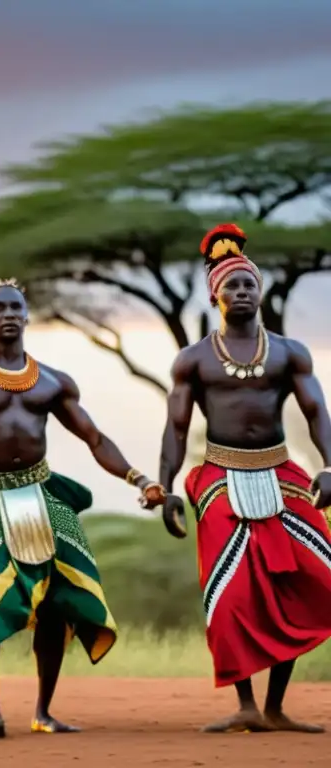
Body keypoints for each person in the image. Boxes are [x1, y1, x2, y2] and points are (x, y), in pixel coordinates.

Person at [0, 278, 165, 740]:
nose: (9, 314)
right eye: (0, 307)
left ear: (27, 318)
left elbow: (94, 438)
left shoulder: (52, 382)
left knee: (56, 604)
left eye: (16, 307)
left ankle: (43, 712)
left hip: (44, 495)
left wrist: (140, 478)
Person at [152, 223, 331, 734]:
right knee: (231, 594)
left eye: (249, 283)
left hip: (280, 471)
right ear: (215, 295)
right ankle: (246, 704)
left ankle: (275, 706)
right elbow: (176, 428)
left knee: (306, 576)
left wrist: (330, 465)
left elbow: (318, 412)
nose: (242, 292)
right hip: (217, 476)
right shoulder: (193, 360)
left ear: (260, 290)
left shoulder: (290, 352)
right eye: (231, 285)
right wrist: (166, 489)